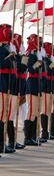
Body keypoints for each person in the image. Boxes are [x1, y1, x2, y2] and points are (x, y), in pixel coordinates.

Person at [7, 33, 27, 151]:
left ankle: (13, 141)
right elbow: (21, 68)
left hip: (20, 86)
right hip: (13, 87)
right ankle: (11, 142)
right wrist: (22, 57)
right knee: (11, 115)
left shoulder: (19, 55)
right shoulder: (13, 54)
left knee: (16, 114)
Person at [24, 34, 43, 146]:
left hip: (37, 85)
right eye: (38, 41)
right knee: (31, 111)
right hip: (31, 84)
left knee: (35, 112)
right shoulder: (30, 54)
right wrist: (38, 63)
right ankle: (27, 137)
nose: (40, 43)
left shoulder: (37, 54)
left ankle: (33, 136)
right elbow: (30, 69)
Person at [0, 24, 16, 153]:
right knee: (1, 114)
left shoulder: (6, 48)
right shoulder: (1, 49)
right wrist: (9, 58)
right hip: (1, 83)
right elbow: (2, 64)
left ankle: (3, 144)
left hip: (7, 84)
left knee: (4, 114)